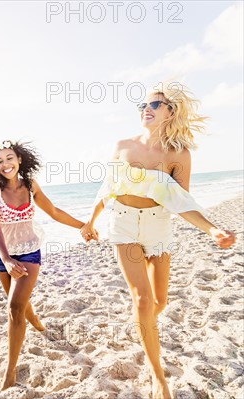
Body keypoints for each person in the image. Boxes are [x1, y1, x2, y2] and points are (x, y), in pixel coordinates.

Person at [79, 83, 236, 399]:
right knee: (142, 300)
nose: (145, 108)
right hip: (122, 224)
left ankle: (141, 326)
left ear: (171, 111)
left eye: (154, 104)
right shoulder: (123, 145)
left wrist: (212, 230)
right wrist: (91, 220)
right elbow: (107, 186)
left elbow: (182, 202)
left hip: (158, 228)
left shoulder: (179, 154)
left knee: (159, 302)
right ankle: (158, 377)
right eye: (142, 104)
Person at [0, 140, 88, 393]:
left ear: (19, 159)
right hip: (1, 254)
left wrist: (82, 226)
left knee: (15, 307)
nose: (5, 164)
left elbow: (53, 211)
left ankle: (10, 373)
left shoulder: (30, 185)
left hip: (29, 251)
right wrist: (7, 260)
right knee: (19, 301)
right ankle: (40, 325)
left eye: (9, 158)